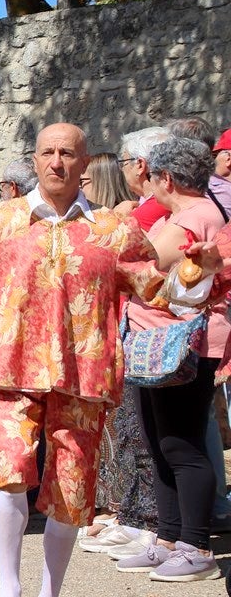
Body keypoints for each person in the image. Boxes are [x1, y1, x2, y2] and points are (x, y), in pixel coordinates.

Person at [0, 123, 216, 597]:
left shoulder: (113, 229)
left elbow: (157, 288)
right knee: (11, 475)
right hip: (10, 367)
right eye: (47, 152)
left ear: (84, 164)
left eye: (68, 154)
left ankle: (51, 589)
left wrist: (197, 274)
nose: (57, 162)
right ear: (34, 161)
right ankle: (9, 586)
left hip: (83, 375)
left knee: (70, 491)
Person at [113, 137, 226, 581]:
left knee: (181, 445)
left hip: (181, 343)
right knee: (160, 442)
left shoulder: (195, 217)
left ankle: (197, 546)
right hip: (155, 342)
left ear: (167, 178)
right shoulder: (182, 215)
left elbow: (151, 263)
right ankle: (169, 536)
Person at [119, 126, 171, 230]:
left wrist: (117, 217)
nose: (122, 169)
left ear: (140, 165)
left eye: (124, 163)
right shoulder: (175, 196)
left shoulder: (141, 216)